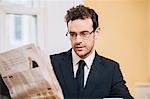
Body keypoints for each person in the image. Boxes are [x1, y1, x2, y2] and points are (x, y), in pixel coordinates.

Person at [50, 5, 134, 99]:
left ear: (96, 33)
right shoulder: (52, 63)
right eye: (73, 34)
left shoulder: (111, 69)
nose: (78, 40)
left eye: (84, 34)